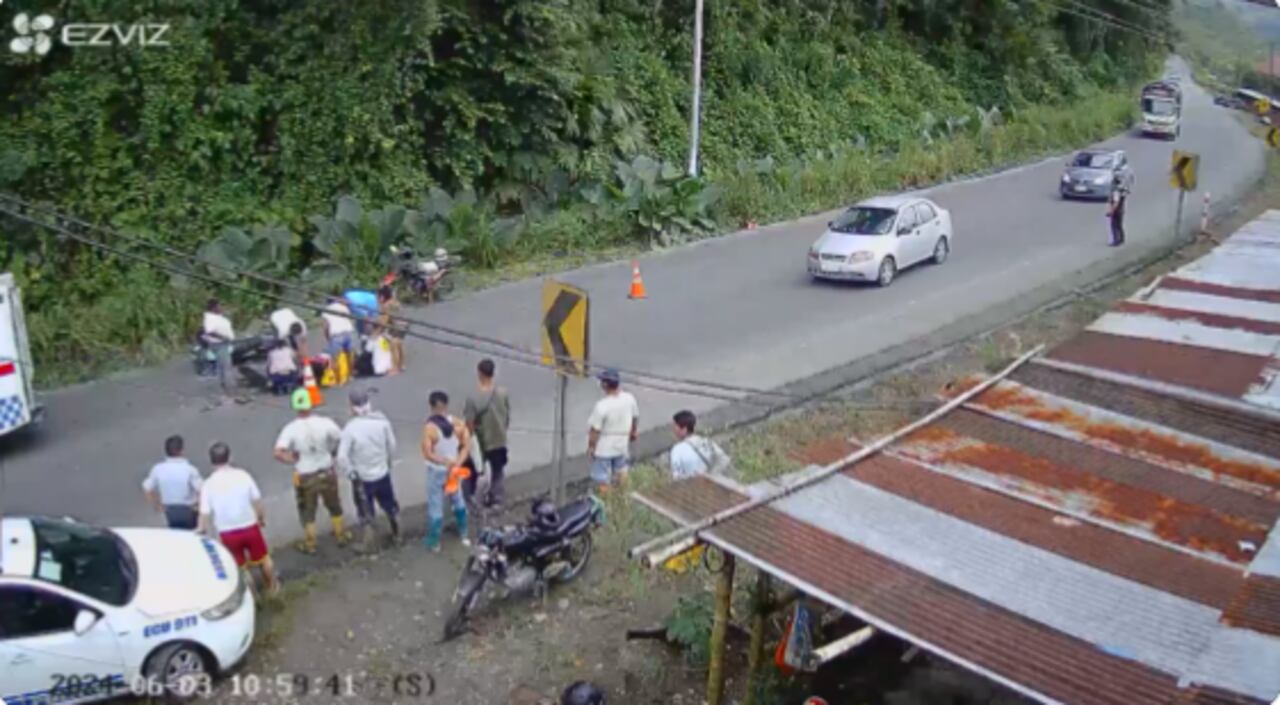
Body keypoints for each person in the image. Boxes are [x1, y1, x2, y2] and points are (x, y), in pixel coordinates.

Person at [273, 388, 352, 554]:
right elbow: (342, 438)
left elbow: (278, 452)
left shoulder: (291, 429)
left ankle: (311, 543)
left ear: (295, 407)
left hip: (305, 474)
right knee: (334, 504)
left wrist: (292, 459)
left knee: (307, 510)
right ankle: (341, 534)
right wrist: (334, 452)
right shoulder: (325, 422)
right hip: (327, 470)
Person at [198, 441, 277, 595]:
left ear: (211, 461)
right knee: (264, 559)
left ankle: (252, 593)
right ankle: (272, 586)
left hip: (227, 532)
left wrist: (203, 529)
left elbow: (205, 513)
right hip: (249, 526)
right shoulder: (243, 475)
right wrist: (260, 518)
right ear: (230, 457)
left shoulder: (208, 484)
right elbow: (257, 500)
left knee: (240, 566)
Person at [337, 388, 401, 549]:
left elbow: (342, 457)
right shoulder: (382, 421)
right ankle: (397, 533)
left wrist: (351, 472)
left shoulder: (350, 429)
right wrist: (388, 462)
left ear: (352, 406)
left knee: (365, 511)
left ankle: (368, 543)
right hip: (382, 473)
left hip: (362, 479)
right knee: (390, 506)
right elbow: (392, 445)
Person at [421, 390, 471, 552]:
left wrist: (444, 461)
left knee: (436, 504)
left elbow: (428, 453)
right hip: (454, 471)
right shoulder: (457, 424)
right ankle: (463, 533)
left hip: (437, 472)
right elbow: (467, 445)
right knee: (457, 499)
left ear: (431, 407)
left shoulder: (430, 428)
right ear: (446, 406)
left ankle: (434, 542)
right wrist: (457, 462)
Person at [463, 358, 511, 507]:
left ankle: (474, 500)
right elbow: (507, 416)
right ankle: (497, 500)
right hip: (499, 439)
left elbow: (469, 424)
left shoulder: (473, 398)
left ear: (480, 374)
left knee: (475, 470)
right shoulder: (503, 393)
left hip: (482, 441)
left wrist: (465, 443)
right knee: (498, 471)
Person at [586, 369, 639, 492]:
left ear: (605, 385)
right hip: (621, 446)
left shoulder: (602, 406)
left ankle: (608, 501)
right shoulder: (629, 398)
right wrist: (633, 432)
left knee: (602, 479)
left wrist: (591, 447)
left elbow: (595, 431)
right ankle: (622, 497)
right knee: (621, 472)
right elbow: (635, 417)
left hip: (603, 451)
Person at [141, 435, 203, 529]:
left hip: (169, 511)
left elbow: (147, 488)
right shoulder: (190, 469)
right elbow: (201, 490)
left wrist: (157, 505)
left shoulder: (158, 469)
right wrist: (198, 505)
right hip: (188, 511)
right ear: (181, 450)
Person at [669, 410, 731, 479]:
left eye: (675, 427)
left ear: (684, 429)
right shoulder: (706, 442)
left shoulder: (677, 450)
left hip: (692, 487)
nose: (673, 430)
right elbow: (724, 459)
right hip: (710, 484)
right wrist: (710, 475)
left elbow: (677, 477)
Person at [201, 298, 235, 396]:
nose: (222, 307)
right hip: (220, 344)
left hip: (224, 344)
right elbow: (209, 331)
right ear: (214, 307)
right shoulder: (209, 318)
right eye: (220, 305)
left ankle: (226, 390)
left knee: (224, 367)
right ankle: (227, 392)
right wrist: (223, 337)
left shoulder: (217, 317)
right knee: (225, 368)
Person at [322, 296, 356, 381]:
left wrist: (328, 338)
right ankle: (350, 376)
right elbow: (350, 319)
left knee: (334, 359)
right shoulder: (343, 307)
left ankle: (339, 380)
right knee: (349, 356)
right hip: (348, 332)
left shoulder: (326, 310)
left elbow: (326, 326)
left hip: (336, 335)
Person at [376, 286, 405, 375]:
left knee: (393, 346)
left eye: (378, 296)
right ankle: (401, 365)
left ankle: (395, 368)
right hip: (404, 325)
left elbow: (385, 319)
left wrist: (378, 331)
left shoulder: (386, 305)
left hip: (395, 326)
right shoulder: (396, 302)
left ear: (382, 296)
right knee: (400, 345)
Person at [1107, 174, 1129, 247]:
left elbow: (1116, 202)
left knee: (1114, 225)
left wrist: (1111, 211)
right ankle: (1122, 239)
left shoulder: (1116, 191)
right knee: (1119, 225)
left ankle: (1116, 241)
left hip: (1117, 210)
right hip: (1121, 209)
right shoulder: (1122, 190)